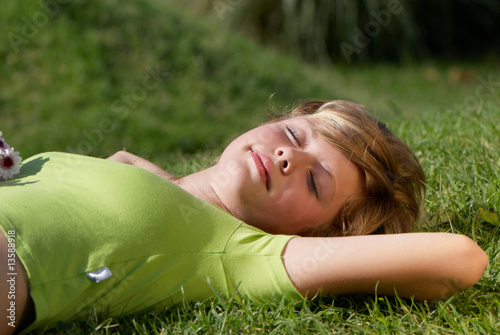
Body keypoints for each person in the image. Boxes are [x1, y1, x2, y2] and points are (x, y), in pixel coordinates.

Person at [0, 100, 488, 334]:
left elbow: (459, 259)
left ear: (320, 232)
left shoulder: (241, 253)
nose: (287, 158)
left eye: (315, 182)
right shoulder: (151, 180)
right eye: (295, 136)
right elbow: (126, 169)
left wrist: (340, 255)